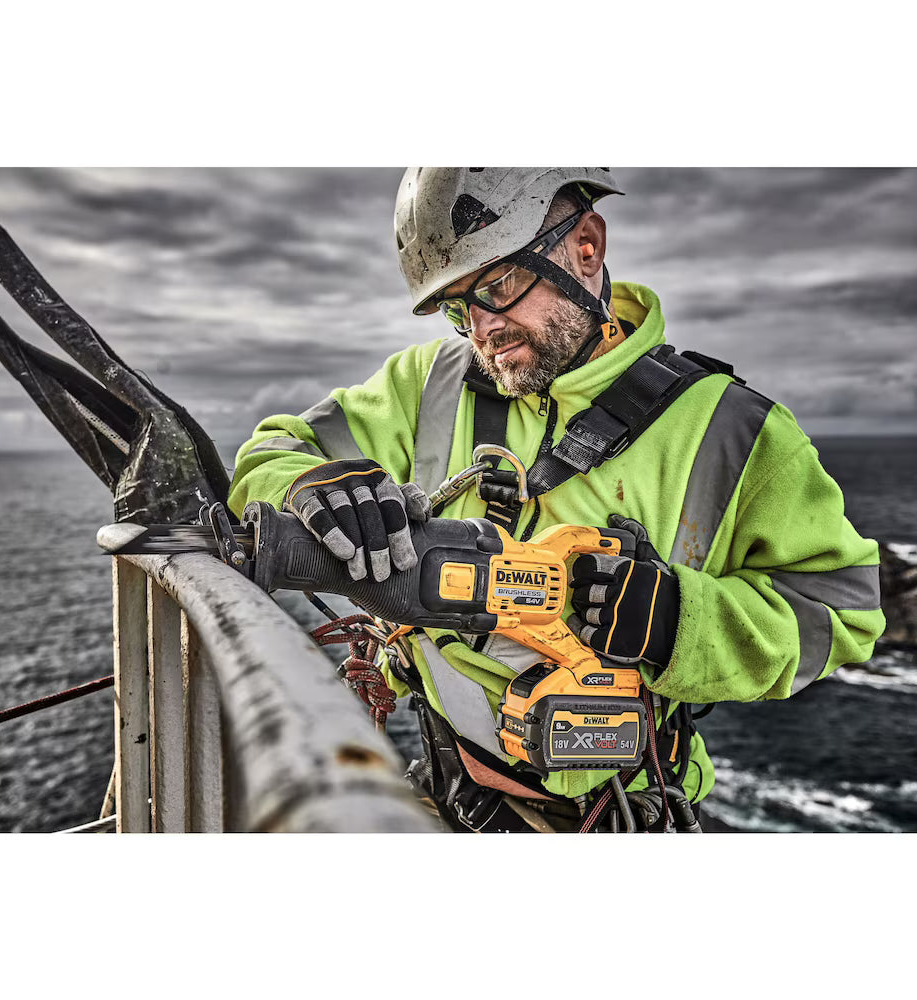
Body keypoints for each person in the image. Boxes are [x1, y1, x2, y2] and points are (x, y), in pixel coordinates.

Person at [228, 168, 885, 832]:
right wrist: (306, 484)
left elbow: (845, 612)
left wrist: (678, 622)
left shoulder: (735, 432)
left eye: (499, 286)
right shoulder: (426, 385)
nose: (483, 329)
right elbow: (273, 449)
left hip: (628, 812)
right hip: (450, 791)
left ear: (586, 247)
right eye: (459, 307)